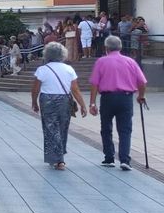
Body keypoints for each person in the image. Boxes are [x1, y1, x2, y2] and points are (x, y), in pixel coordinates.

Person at [89, 35, 148, 170]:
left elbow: (94, 84)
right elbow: (142, 82)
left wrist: (92, 103)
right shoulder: (130, 61)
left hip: (107, 98)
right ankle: (124, 160)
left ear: (106, 48)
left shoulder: (101, 61)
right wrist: (141, 96)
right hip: (125, 98)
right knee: (125, 129)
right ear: (120, 47)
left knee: (106, 128)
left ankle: (109, 157)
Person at [32, 42, 87, 170]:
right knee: (63, 128)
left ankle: (57, 159)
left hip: (47, 100)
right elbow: (75, 89)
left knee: (50, 128)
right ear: (63, 54)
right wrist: (83, 105)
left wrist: (34, 102)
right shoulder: (69, 69)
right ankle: (59, 157)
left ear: (47, 54)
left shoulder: (42, 69)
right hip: (64, 100)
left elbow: (35, 89)